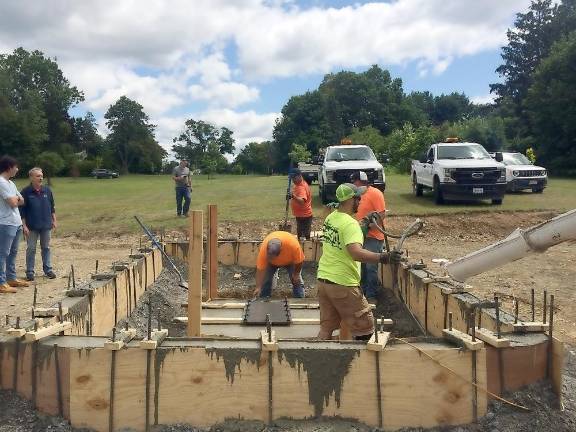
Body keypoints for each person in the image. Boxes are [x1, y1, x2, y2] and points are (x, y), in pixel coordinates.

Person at [316, 183, 402, 340]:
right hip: (343, 284)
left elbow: (343, 236)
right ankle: (364, 364)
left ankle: (320, 362)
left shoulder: (331, 218)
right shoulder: (350, 224)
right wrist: (384, 257)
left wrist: (363, 225)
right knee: (365, 329)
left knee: (326, 328)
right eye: (358, 198)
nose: (360, 200)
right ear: (351, 200)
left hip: (324, 282)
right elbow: (355, 253)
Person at [351, 171, 386, 303]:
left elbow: (381, 214)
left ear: (361, 182)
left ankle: (371, 295)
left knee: (371, 267)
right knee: (361, 266)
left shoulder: (375, 194)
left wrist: (369, 225)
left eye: (355, 182)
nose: (354, 185)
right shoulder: (357, 195)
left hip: (373, 236)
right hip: (360, 235)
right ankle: (362, 293)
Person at [19, 167, 57, 282]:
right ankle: (30, 271)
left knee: (46, 247)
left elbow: (52, 207)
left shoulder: (47, 190)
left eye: (41, 176)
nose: (40, 178)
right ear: (31, 177)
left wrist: (54, 220)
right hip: (31, 226)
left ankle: (48, 269)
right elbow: (22, 211)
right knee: (31, 248)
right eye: (37, 176)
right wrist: (24, 226)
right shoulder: (25, 192)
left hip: (46, 225)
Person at [0, 156, 29, 294]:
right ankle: (1, 282)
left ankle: (11, 278)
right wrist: (16, 199)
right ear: (9, 167)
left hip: (16, 222)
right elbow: (13, 202)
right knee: (3, 253)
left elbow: (22, 200)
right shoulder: (1, 182)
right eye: (15, 167)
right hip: (5, 222)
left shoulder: (11, 183)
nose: (17, 169)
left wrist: (16, 198)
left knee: (13, 252)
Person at [253, 231, 305, 298]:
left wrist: (296, 274)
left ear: (281, 250)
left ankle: (299, 300)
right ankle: (264, 299)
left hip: (290, 261)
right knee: (266, 281)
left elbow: (299, 261)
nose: (272, 258)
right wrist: (258, 287)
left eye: (273, 257)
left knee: (296, 280)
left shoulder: (293, 245)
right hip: (271, 264)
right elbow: (260, 270)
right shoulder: (264, 250)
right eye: (270, 256)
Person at [288, 168, 313, 240]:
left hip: (304, 216)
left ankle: (305, 250)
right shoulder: (298, 184)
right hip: (301, 215)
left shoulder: (301, 187)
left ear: (299, 176)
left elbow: (302, 201)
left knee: (304, 238)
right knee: (301, 236)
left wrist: (293, 196)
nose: (293, 180)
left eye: (294, 178)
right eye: (292, 178)